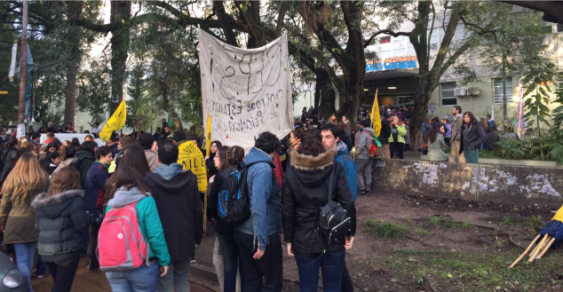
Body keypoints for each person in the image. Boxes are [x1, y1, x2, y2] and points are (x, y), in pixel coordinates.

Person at [282, 130, 356, 292]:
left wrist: (289, 239)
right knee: (333, 285)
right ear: (322, 147)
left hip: (303, 237)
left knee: (308, 286)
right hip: (333, 233)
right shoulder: (335, 167)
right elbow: (348, 202)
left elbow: (287, 208)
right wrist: (350, 232)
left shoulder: (291, 171)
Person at [142, 141, 202, 292]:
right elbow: (197, 209)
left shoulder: (149, 180)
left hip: (160, 238)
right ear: (177, 159)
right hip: (185, 235)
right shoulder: (191, 178)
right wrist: (197, 236)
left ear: (158, 159)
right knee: (182, 280)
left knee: (164, 280)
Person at [103, 167, 171, 291]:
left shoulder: (111, 204)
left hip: (114, 264)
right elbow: (155, 235)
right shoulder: (146, 200)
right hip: (142, 263)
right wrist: (164, 260)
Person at [234, 132, 283, 292]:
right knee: (272, 283)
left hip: (243, 230)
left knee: (252, 279)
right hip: (261, 232)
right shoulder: (263, 169)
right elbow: (258, 205)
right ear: (274, 151)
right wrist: (261, 241)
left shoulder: (247, 163)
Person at [32, 167, 89, 292]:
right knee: (62, 287)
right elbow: (81, 225)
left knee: (58, 284)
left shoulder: (43, 202)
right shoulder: (75, 200)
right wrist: (86, 216)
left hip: (46, 250)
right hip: (67, 250)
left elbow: (38, 226)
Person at [0, 152, 50, 291]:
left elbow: (4, 206)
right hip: (36, 219)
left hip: (16, 220)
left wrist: (4, 224)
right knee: (29, 257)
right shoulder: (43, 177)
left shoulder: (13, 178)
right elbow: (47, 200)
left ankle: (27, 288)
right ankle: (28, 287)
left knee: (21, 259)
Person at [321, 124, 357, 292]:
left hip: (338, 218)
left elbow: (349, 196)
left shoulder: (345, 161)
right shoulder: (323, 159)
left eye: (327, 137)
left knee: (338, 264)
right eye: (321, 137)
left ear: (336, 139)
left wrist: (345, 224)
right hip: (325, 219)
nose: (323, 141)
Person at [208, 146, 246, 292]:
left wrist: (218, 218)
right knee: (243, 266)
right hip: (242, 224)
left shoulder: (220, 176)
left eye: (216, 156)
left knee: (229, 267)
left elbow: (212, 204)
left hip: (224, 226)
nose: (214, 159)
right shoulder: (245, 173)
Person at [84, 146, 113, 272]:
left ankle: (91, 262)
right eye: (109, 157)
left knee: (93, 236)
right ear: (101, 157)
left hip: (91, 206)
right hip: (96, 207)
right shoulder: (100, 170)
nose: (111, 160)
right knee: (97, 235)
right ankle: (95, 262)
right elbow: (107, 187)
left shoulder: (95, 168)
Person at [356, 119, 374, 195]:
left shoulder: (364, 133)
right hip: (370, 155)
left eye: (360, 125)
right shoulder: (371, 133)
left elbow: (361, 146)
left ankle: (362, 188)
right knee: (368, 172)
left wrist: (355, 154)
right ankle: (368, 188)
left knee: (358, 171)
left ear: (362, 126)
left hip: (362, 156)